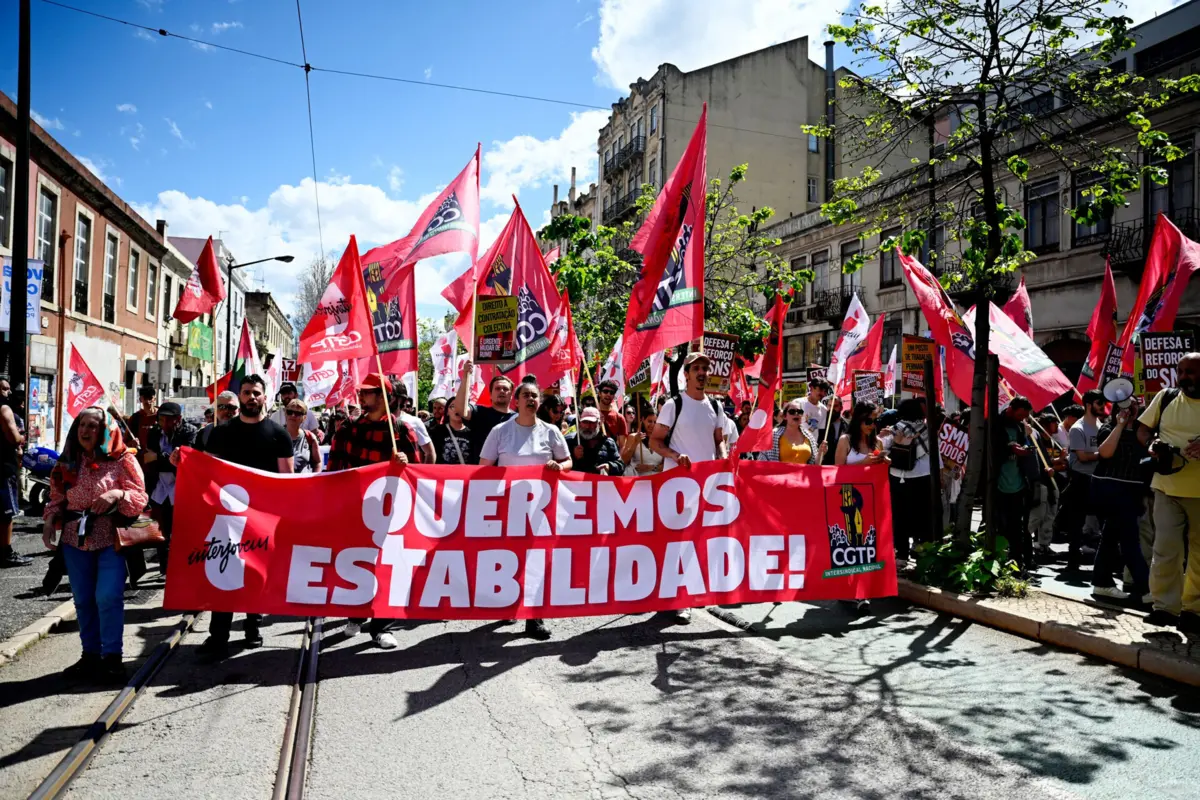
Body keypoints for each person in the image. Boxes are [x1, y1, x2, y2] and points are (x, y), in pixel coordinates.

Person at [42, 408, 148, 683]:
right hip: (74, 540)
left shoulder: (123, 459)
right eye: (81, 425)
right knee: (83, 599)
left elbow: (140, 497)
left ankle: (112, 657)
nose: (85, 431)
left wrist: (118, 493)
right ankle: (90, 655)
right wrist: (49, 520)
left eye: (92, 426)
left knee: (108, 596)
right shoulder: (68, 461)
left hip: (110, 538)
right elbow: (56, 496)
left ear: (105, 430)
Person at [198, 375, 295, 660]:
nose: (251, 397)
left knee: (256, 574)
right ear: (239, 396)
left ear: (265, 397)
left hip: (263, 518)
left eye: (256, 393)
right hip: (227, 517)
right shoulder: (221, 432)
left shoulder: (279, 435)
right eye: (246, 392)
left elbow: (287, 479)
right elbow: (206, 471)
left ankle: (253, 627)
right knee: (224, 573)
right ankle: (219, 635)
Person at [329, 374, 417, 649]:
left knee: (387, 566)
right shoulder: (348, 429)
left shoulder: (400, 430)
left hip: (390, 512)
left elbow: (419, 471)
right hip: (356, 509)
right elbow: (334, 468)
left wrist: (404, 462)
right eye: (362, 391)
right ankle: (355, 616)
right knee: (358, 564)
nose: (361, 396)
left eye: (367, 392)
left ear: (383, 396)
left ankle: (382, 627)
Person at [479, 379, 571, 640]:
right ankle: (510, 604)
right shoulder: (500, 431)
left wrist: (559, 467)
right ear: (516, 401)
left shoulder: (551, 432)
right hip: (509, 508)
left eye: (534, 395)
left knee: (536, 561)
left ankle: (534, 617)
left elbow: (568, 461)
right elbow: (485, 468)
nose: (531, 399)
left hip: (541, 509)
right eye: (526, 395)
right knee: (511, 559)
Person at [649, 353, 728, 623]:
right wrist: (675, 456)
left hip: (706, 486)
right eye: (697, 369)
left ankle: (689, 592)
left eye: (705, 368)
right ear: (687, 374)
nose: (702, 373)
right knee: (678, 542)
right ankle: (678, 597)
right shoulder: (674, 404)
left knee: (699, 541)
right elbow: (655, 441)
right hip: (678, 485)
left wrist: (723, 457)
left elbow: (718, 440)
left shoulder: (716, 406)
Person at [1138, 353, 1200, 631]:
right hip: (1166, 487)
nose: (1184, 377)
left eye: (1191, 371)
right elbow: (1142, 430)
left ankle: (1194, 610)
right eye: (1180, 371)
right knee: (1165, 549)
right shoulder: (1166, 397)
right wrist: (1152, 443)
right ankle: (1164, 608)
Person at [1089, 395, 1150, 603]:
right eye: (1127, 405)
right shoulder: (1108, 429)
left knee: (1110, 538)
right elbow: (1105, 453)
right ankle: (1146, 588)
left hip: (1133, 491)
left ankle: (1102, 583)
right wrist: (1120, 425)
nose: (1131, 409)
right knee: (1129, 540)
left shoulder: (1142, 431)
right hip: (1111, 489)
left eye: (1135, 405)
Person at [143, 402, 197, 576]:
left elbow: (183, 460)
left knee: (181, 532)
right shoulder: (154, 432)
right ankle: (165, 569)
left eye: (169, 420)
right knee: (161, 531)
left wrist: (159, 458)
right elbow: (148, 460)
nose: (164, 424)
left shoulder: (189, 432)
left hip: (180, 488)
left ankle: (182, 569)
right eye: (161, 420)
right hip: (159, 489)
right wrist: (166, 459)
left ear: (178, 419)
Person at [1059, 389, 1106, 574]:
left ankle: (1103, 563)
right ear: (1088, 405)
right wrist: (1103, 454)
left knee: (1103, 522)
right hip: (1081, 481)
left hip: (1098, 480)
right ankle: (1073, 562)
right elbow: (1082, 457)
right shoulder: (1078, 428)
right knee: (1076, 524)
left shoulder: (1101, 426)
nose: (1102, 407)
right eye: (1099, 403)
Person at [992, 397, 1038, 571]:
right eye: (1020, 415)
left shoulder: (1019, 427)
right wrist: (1010, 448)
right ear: (1011, 408)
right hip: (999, 485)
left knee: (1018, 527)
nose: (1022, 419)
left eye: (1024, 416)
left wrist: (1024, 448)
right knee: (1000, 526)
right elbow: (992, 450)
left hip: (1018, 485)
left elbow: (1024, 445)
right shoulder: (995, 424)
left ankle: (1018, 561)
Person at [887, 398, 932, 563]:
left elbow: (884, 450)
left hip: (898, 476)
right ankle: (920, 549)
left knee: (900, 516)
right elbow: (934, 453)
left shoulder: (895, 429)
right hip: (923, 476)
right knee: (922, 516)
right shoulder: (926, 430)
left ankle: (902, 553)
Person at [456, 358, 516, 459]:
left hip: (508, 468)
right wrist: (466, 375)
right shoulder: (480, 413)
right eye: (497, 388)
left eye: (505, 389)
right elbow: (460, 409)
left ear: (511, 395)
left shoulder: (518, 418)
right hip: (483, 467)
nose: (501, 391)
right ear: (490, 395)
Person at [1029, 413, 1068, 560]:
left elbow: (1052, 463)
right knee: (1037, 515)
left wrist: (1060, 461)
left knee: (1050, 515)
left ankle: (1043, 545)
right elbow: (1042, 462)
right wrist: (1058, 461)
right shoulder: (1036, 438)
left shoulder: (1052, 441)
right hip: (1041, 482)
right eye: (1054, 423)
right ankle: (1023, 542)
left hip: (1052, 482)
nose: (1057, 425)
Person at [0, 393, 29, 568]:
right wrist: (20, 438)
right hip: (3, 468)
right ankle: (6, 553)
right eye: (4, 389)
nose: (9, 392)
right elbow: (14, 438)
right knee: (6, 513)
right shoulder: (4, 409)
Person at [566, 407, 625, 476]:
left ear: (599, 424)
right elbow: (561, 465)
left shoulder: (608, 442)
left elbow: (620, 466)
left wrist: (609, 466)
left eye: (592, 423)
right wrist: (573, 456)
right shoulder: (570, 441)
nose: (587, 426)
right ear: (579, 423)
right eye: (585, 422)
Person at [766, 399, 825, 464]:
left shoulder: (809, 436)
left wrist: (820, 453)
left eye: (800, 412)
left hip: (803, 471)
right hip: (779, 470)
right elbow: (764, 460)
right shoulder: (773, 435)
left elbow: (814, 465)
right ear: (785, 416)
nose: (796, 414)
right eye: (792, 411)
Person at [835, 402, 886, 466]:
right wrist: (863, 463)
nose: (872, 425)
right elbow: (838, 469)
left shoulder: (878, 442)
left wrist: (885, 462)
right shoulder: (845, 440)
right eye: (868, 421)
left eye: (875, 421)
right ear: (858, 420)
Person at [393, 386, 435, 464]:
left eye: (391, 395)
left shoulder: (414, 421)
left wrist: (422, 472)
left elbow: (430, 453)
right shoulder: (373, 419)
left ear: (401, 399)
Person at [285, 399, 323, 474]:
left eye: (298, 413)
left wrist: (314, 477)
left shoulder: (310, 437)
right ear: (285, 414)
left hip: (305, 481)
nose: (293, 415)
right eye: (290, 412)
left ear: (304, 418)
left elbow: (318, 462)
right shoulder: (276, 436)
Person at [432, 398, 474, 465]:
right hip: (443, 470)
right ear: (447, 412)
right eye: (453, 406)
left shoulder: (474, 432)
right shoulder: (436, 431)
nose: (457, 409)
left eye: (461, 406)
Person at [622, 409, 663, 475]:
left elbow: (666, 466)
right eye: (649, 421)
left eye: (655, 422)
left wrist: (651, 468)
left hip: (655, 479)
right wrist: (635, 443)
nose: (652, 425)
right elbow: (624, 460)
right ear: (643, 420)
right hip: (635, 478)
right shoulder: (633, 437)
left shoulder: (662, 440)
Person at [127, 386, 159, 460]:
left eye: (150, 398)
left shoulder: (162, 416)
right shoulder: (135, 418)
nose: (147, 401)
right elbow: (125, 442)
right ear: (140, 399)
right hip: (140, 460)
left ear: (154, 399)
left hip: (158, 460)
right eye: (145, 398)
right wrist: (132, 443)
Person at [595, 380, 629, 448]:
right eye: (605, 391)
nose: (608, 394)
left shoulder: (619, 417)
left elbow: (622, 446)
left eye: (612, 392)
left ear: (614, 396)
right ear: (599, 393)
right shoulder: (591, 414)